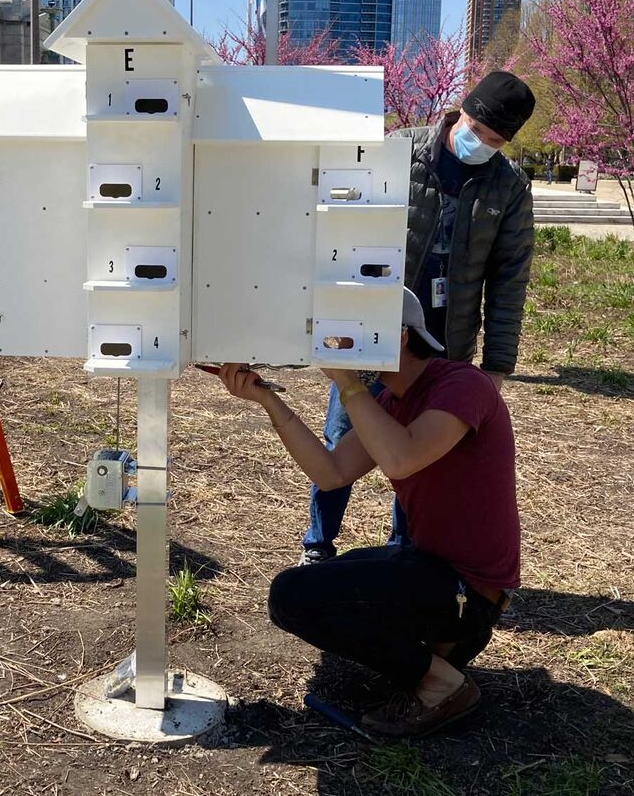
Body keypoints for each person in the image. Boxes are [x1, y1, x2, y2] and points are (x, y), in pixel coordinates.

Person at [218, 288, 519, 737]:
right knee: (326, 582)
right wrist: (268, 400)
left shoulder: (461, 386)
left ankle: (441, 683)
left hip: (468, 595)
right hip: (433, 573)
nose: (332, 346)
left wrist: (348, 382)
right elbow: (332, 471)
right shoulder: (390, 401)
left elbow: (402, 457)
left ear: (396, 337)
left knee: (293, 595)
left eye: (346, 336)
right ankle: (431, 653)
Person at [301, 70, 536, 565]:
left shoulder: (508, 188)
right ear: (461, 112)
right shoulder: (398, 152)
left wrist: (495, 366)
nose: (483, 145)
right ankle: (318, 545)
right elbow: (343, 226)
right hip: (372, 328)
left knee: (417, 458)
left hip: (444, 344)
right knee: (346, 431)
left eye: (496, 142)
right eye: (478, 131)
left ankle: (405, 554)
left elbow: (510, 279)